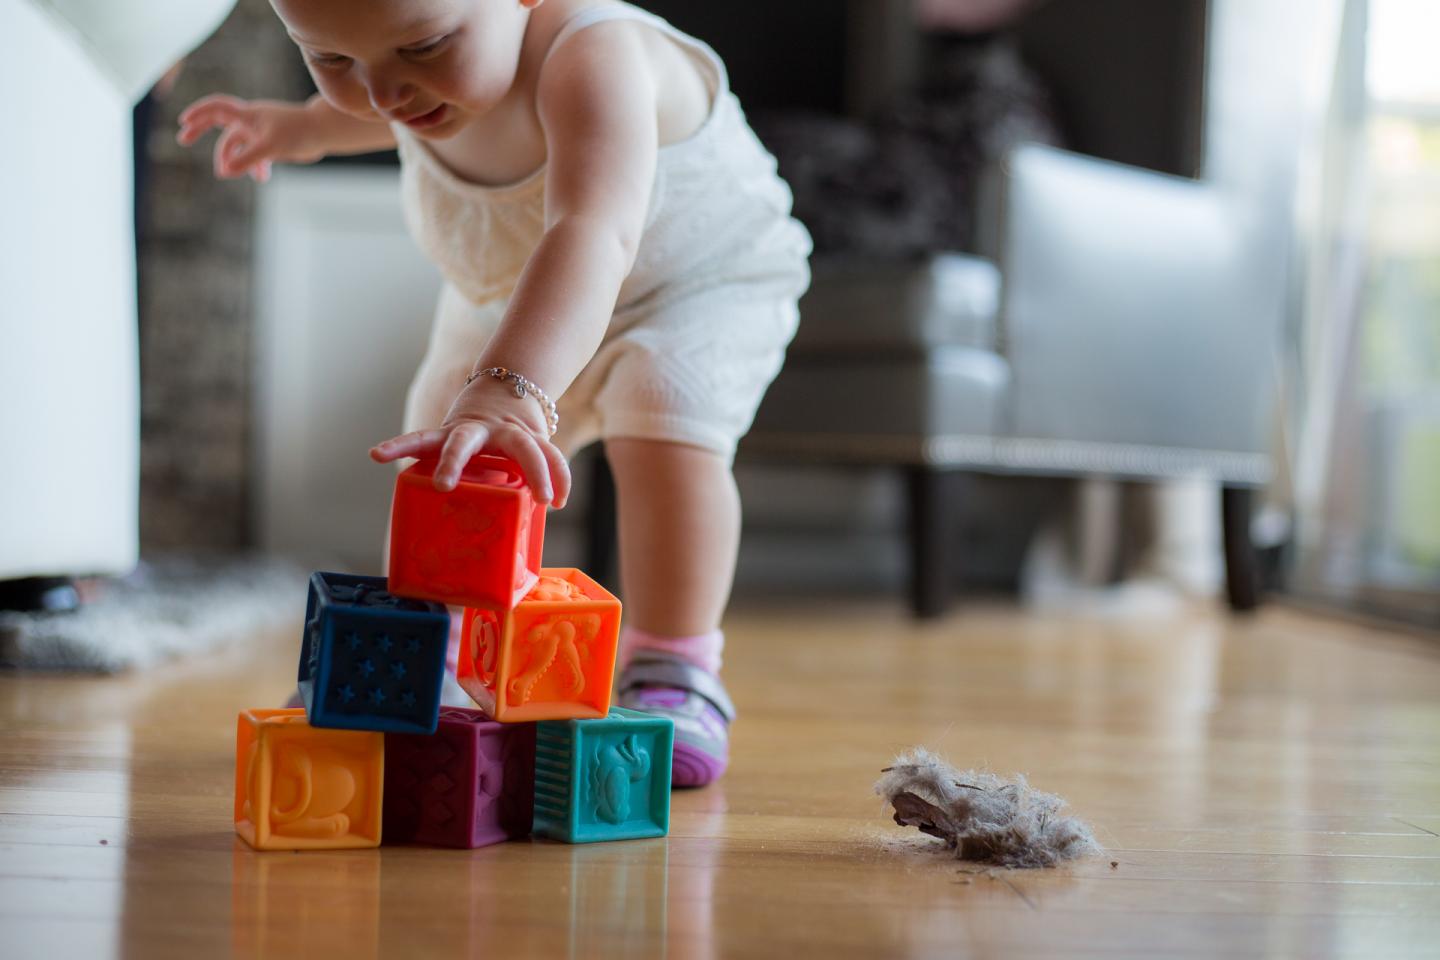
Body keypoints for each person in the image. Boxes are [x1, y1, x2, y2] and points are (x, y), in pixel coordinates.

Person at [177, 0, 812, 786]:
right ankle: (430, 650)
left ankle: (675, 666)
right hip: (508, 297)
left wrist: (510, 389)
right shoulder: (407, 79)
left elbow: (592, 231)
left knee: (661, 420)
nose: (383, 95)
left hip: (691, 283)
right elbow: (377, 112)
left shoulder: (595, 54)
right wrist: (301, 128)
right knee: (441, 457)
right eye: (331, 61)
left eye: (424, 45)